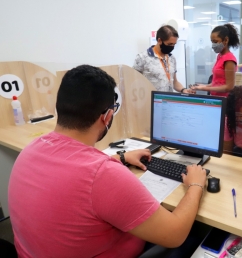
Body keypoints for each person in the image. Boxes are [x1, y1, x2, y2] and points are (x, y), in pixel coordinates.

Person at [8, 65, 207, 257]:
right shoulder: (103, 176)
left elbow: (72, 170)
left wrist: (120, 157)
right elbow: (175, 235)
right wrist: (196, 184)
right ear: (108, 116)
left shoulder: (30, 150)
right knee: (198, 233)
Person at [133, 25, 192, 93]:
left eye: (174, 44)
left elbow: (175, 82)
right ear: (159, 40)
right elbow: (134, 83)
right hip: (151, 102)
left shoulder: (172, 58)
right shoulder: (142, 58)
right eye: (170, 44)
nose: (172, 47)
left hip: (168, 101)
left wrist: (184, 90)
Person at [190, 24, 240, 97]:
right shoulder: (220, 56)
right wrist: (205, 86)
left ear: (226, 40)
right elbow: (218, 82)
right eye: (212, 42)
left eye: (215, 42)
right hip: (216, 98)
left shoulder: (229, 59)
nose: (213, 45)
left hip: (225, 100)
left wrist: (204, 88)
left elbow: (229, 87)